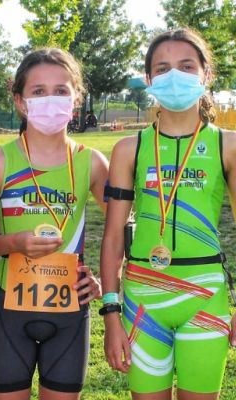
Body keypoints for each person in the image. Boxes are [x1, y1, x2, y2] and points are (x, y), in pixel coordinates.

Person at [100, 28, 236, 400]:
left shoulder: (227, 144)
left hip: (205, 296)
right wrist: (111, 313)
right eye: (163, 68)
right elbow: (112, 238)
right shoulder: (129, 148)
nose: (174, 76)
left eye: (186, 66)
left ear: (206, 75)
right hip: (143, 301)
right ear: (149, 79)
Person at [0, 48, 109, 400]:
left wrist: (106, 282)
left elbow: (124, 230)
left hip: (70, 311)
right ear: (20, 101)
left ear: (76, 99)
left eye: (61, 90)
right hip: (11, 311)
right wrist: (12, 243)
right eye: (38, 91)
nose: (50, 100)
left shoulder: (92, 163)